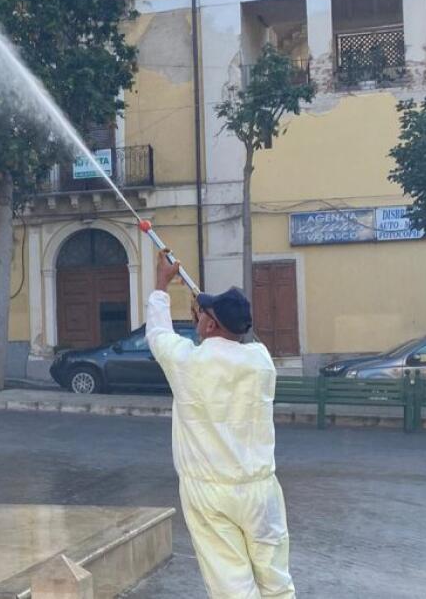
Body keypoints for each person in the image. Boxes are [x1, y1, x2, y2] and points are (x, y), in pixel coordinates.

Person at [146, 253, 295, 599]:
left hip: (210, 492)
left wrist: (161, 283)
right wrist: (205, 313)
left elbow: (158, 334)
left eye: (204, 317)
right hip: (261, 490)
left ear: (210, 325)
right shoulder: (261, 361)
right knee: (277, 583)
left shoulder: (188, 363)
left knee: (233, 586)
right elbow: (226, 343)